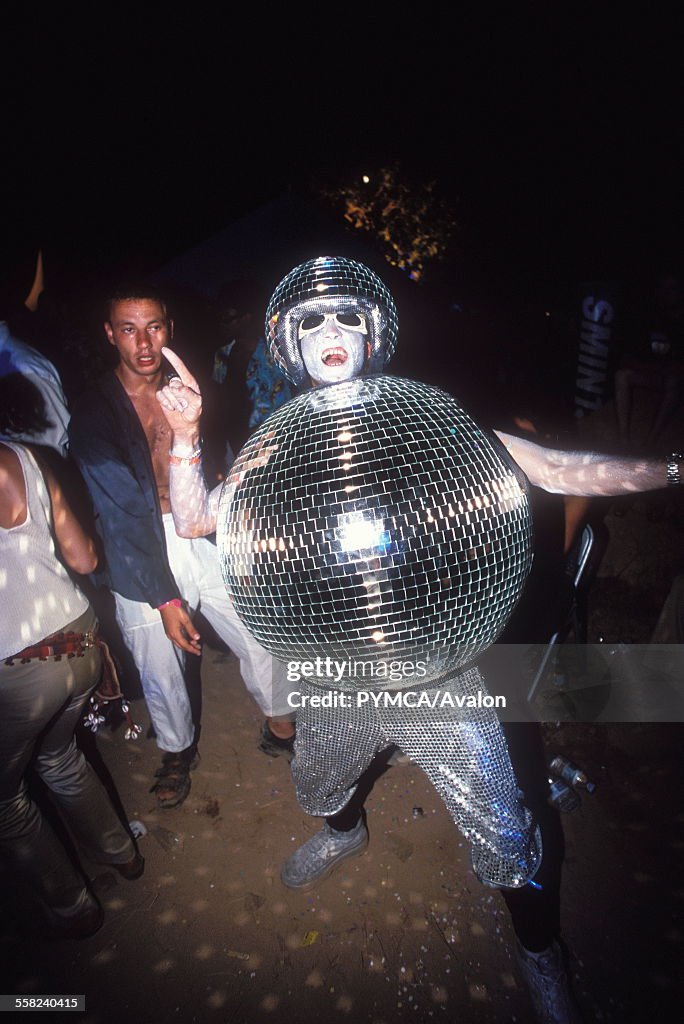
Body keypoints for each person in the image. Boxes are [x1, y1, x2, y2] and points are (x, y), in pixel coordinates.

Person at [156, 257, 676, 1024]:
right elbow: (198, 517)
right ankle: (346, 833)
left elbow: (565, 469)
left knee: (507, 833)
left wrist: (671, 465)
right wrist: (187, 434)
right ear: (290, 346)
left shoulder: (439, 424)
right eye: (312, 322)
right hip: (335, 671)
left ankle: (541, 957)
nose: (331, 332)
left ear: (373, 334)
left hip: (440, 671)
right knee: (320, 783)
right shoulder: (275, 450)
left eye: (346, 318)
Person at [68, 286, 295, 809]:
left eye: (153, 327)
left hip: (204, 532)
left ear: (169, 327)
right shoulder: (95, 412)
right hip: (139, 545)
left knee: (258, 626)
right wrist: (165, 597)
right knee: (159, 658)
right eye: (128, 329)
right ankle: (176, 750)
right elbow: (120, 510)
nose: (143, 342)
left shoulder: (191, 386)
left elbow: (222, 460)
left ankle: (281, 726)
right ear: (110, 335)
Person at [0, 376, 143, 940]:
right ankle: (121, 853)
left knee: (4, 800)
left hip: (14, 664)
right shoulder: (26, 458)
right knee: (59, 757)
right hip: (77, 636)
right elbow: (83, 558)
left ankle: (71, 904)